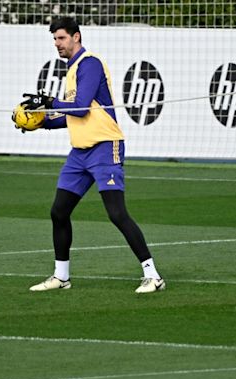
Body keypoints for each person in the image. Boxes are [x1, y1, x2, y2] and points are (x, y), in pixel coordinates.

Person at [20, 17, 165, 294]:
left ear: (76, 37)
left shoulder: (90, 63)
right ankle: (61, 277)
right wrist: (41, 122)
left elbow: (81, 108)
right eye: (54, 39)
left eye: (61, 38)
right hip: (80, 152)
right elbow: (71, 116)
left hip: (104, 146)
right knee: (59, 211)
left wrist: (49, 103)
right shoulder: (72, 69)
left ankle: (153, 275)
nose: (57, 44)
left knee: (116, 213)